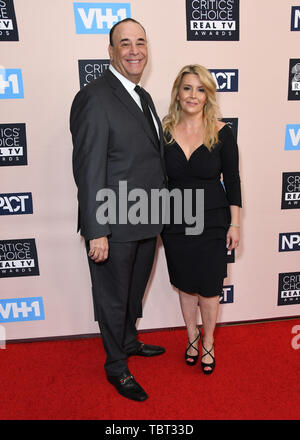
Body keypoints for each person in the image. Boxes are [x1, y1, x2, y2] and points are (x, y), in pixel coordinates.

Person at [70, 18, 167, 401]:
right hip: (113, 223)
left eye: (140, 42)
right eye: (124, 43)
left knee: (131, 295)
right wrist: (97, 229)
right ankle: (116, 366)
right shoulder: (94, 97)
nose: (134, 50)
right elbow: (88, 167)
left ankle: (128, 341)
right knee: (112, 298)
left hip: (146, 220)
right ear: (110, 51)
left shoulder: (141, 96)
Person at [161, 64, 242, 374]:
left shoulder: (222, 132)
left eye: (200, 89)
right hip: (176, 223)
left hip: (212, 221)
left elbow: (232, 180)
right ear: (178, 94)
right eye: (187, 88)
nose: (193, 95)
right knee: (184, 286)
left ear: (208, 95)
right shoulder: (165, 130)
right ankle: (191, 336)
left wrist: (235, 223)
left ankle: (208, 341)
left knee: (209, 288)